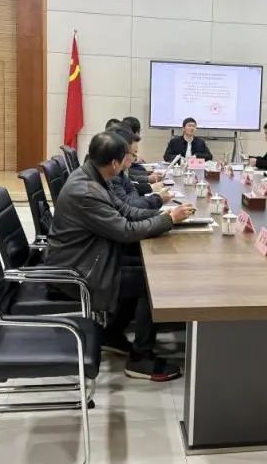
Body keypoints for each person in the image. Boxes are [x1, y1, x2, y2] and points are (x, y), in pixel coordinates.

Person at [45, 131, 195, 381]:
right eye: (127, 157)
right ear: (115, 163)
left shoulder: (93, 175)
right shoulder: (87, 191)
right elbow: (125, 231)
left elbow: (125, 210)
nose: (130, 161)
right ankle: (140, 358)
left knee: (146, 269)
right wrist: (167, 220)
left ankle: (111, 333)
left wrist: (165, 216)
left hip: (92, 255)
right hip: (78, 271)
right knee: (152, 283)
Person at [109, 125, 170, 210]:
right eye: (134, 154)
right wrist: (158, 199)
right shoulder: (111, 176)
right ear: (122, 154)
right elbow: (128, 207)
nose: (136, 158)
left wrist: (135, 201)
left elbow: (132, 190)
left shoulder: (120, 172)